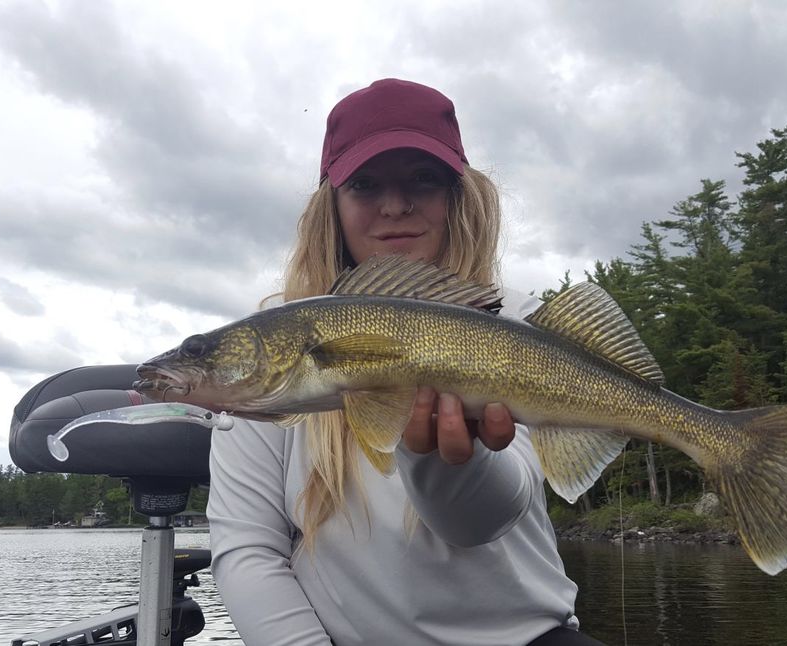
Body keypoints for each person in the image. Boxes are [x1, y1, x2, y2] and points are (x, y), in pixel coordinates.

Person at [207, 78, 601, 646]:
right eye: (364, 184)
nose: (394, 206)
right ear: (332, 206)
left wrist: (444, 460)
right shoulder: (278, 342)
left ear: (458, 196)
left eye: (422, 179)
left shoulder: (515, 322)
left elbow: (480, 521)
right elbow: (248, 548)